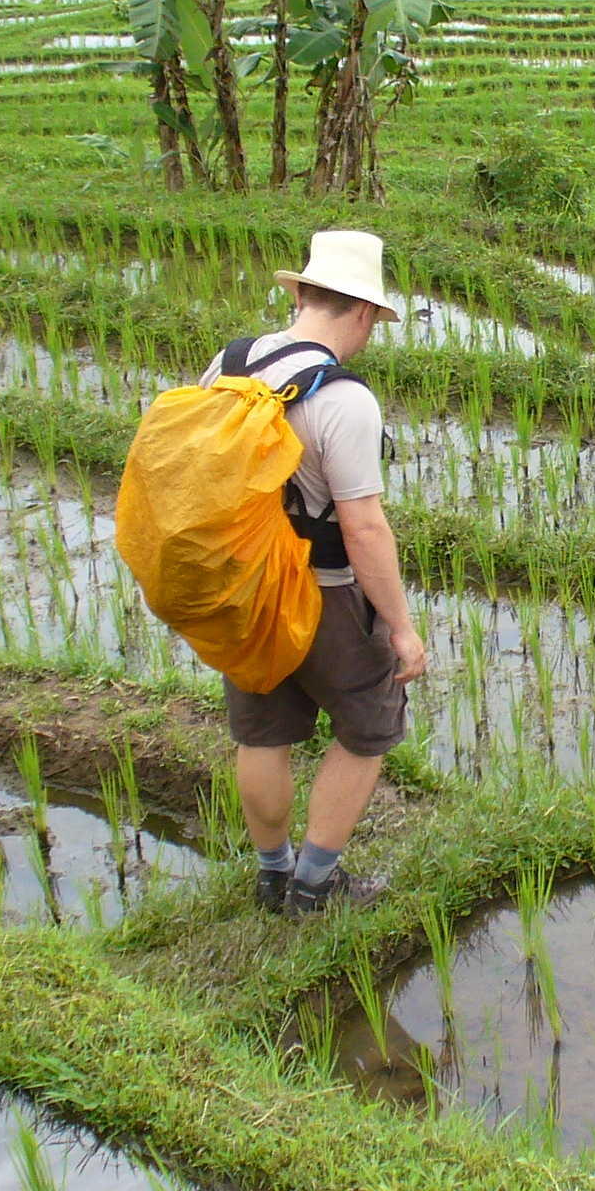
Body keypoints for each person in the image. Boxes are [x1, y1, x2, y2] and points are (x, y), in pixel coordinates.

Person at [200, 229, 426, 915]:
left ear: (298, 293)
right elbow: (362, 527)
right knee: (369, 730)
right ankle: (314, 885)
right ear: (363, 313)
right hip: (323, 597)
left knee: (262, 731)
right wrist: (401, 628)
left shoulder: (229, 362)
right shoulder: (344, 398)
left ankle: (273, 875)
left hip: (246, 589)